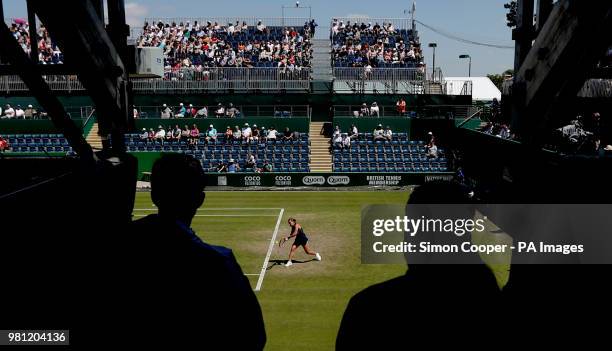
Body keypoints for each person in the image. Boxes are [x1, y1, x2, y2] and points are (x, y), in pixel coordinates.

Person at [130, 154, 266, 349]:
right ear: (200, 199)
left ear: (153, 195)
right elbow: (253, 337)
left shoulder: (116, 244)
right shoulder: (219, 263)